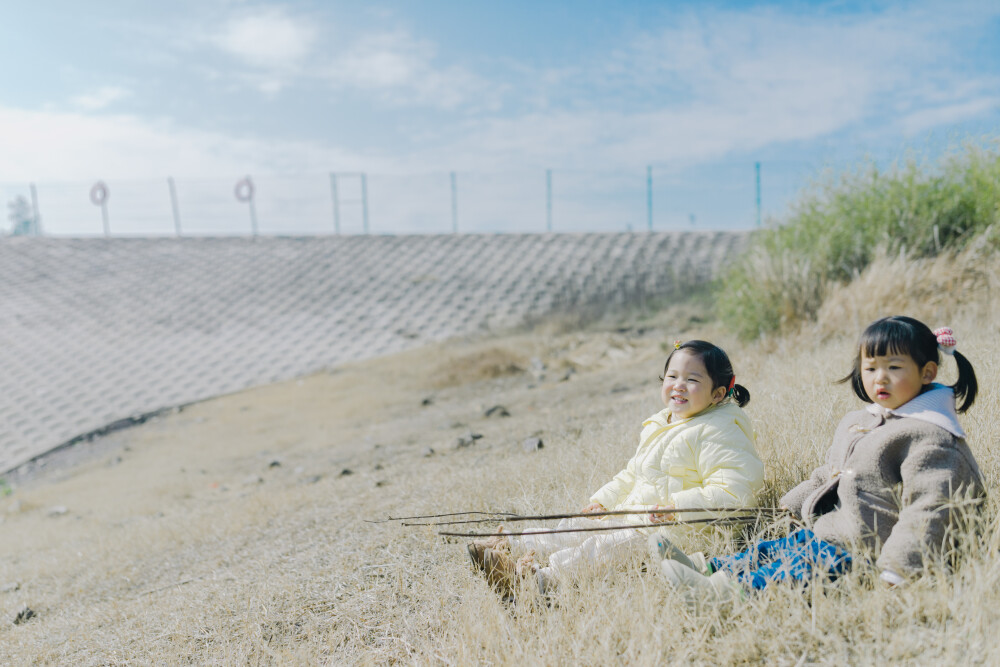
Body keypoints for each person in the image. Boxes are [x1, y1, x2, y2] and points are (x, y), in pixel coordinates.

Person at [653, 316, 985, 602]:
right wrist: (792, 503)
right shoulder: (864, 421)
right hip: (832, 532)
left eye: (894, 368)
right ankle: (708, 569)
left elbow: (930, 509)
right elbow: (829, 473)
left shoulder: (932, 438)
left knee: (796, 570)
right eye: (870, 368)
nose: (879, 378)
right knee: (779, 549)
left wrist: (897, 570)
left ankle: (724, 594)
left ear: (927, 372)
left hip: (865, 551)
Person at [468, 339, 765, 596]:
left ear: (717, 393)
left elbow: (736, 492)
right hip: (638, 513)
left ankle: (539, 582)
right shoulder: (664, 422)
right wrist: (603, 500)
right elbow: (633, 473)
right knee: (576, 526)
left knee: (602, 549)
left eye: (692, 379)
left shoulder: (720, 429)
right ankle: (510, 546)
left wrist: (678, 506)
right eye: (671, 375)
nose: (678, 385)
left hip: (682, 531)